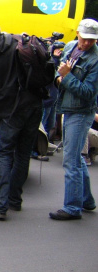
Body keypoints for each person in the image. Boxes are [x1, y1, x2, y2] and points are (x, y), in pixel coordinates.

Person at [0, 20, 54, 220]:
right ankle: (15, 199)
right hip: (34, 103)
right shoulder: (19, 41)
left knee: (4, 153)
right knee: (23, 153)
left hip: (10, 107)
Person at [49, 18, 98, 220]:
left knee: (70, 161)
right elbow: (59, 71)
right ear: (77, 33)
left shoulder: (95, 60)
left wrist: (66, 77)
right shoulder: (70, 47)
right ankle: (86, 200)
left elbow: (88, 92)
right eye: (84, 38)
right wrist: (59, 77)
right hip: (69, 108)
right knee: (75, 157)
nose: (87, 43)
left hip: (81, 111)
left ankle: (72, 207)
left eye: (92, 40)